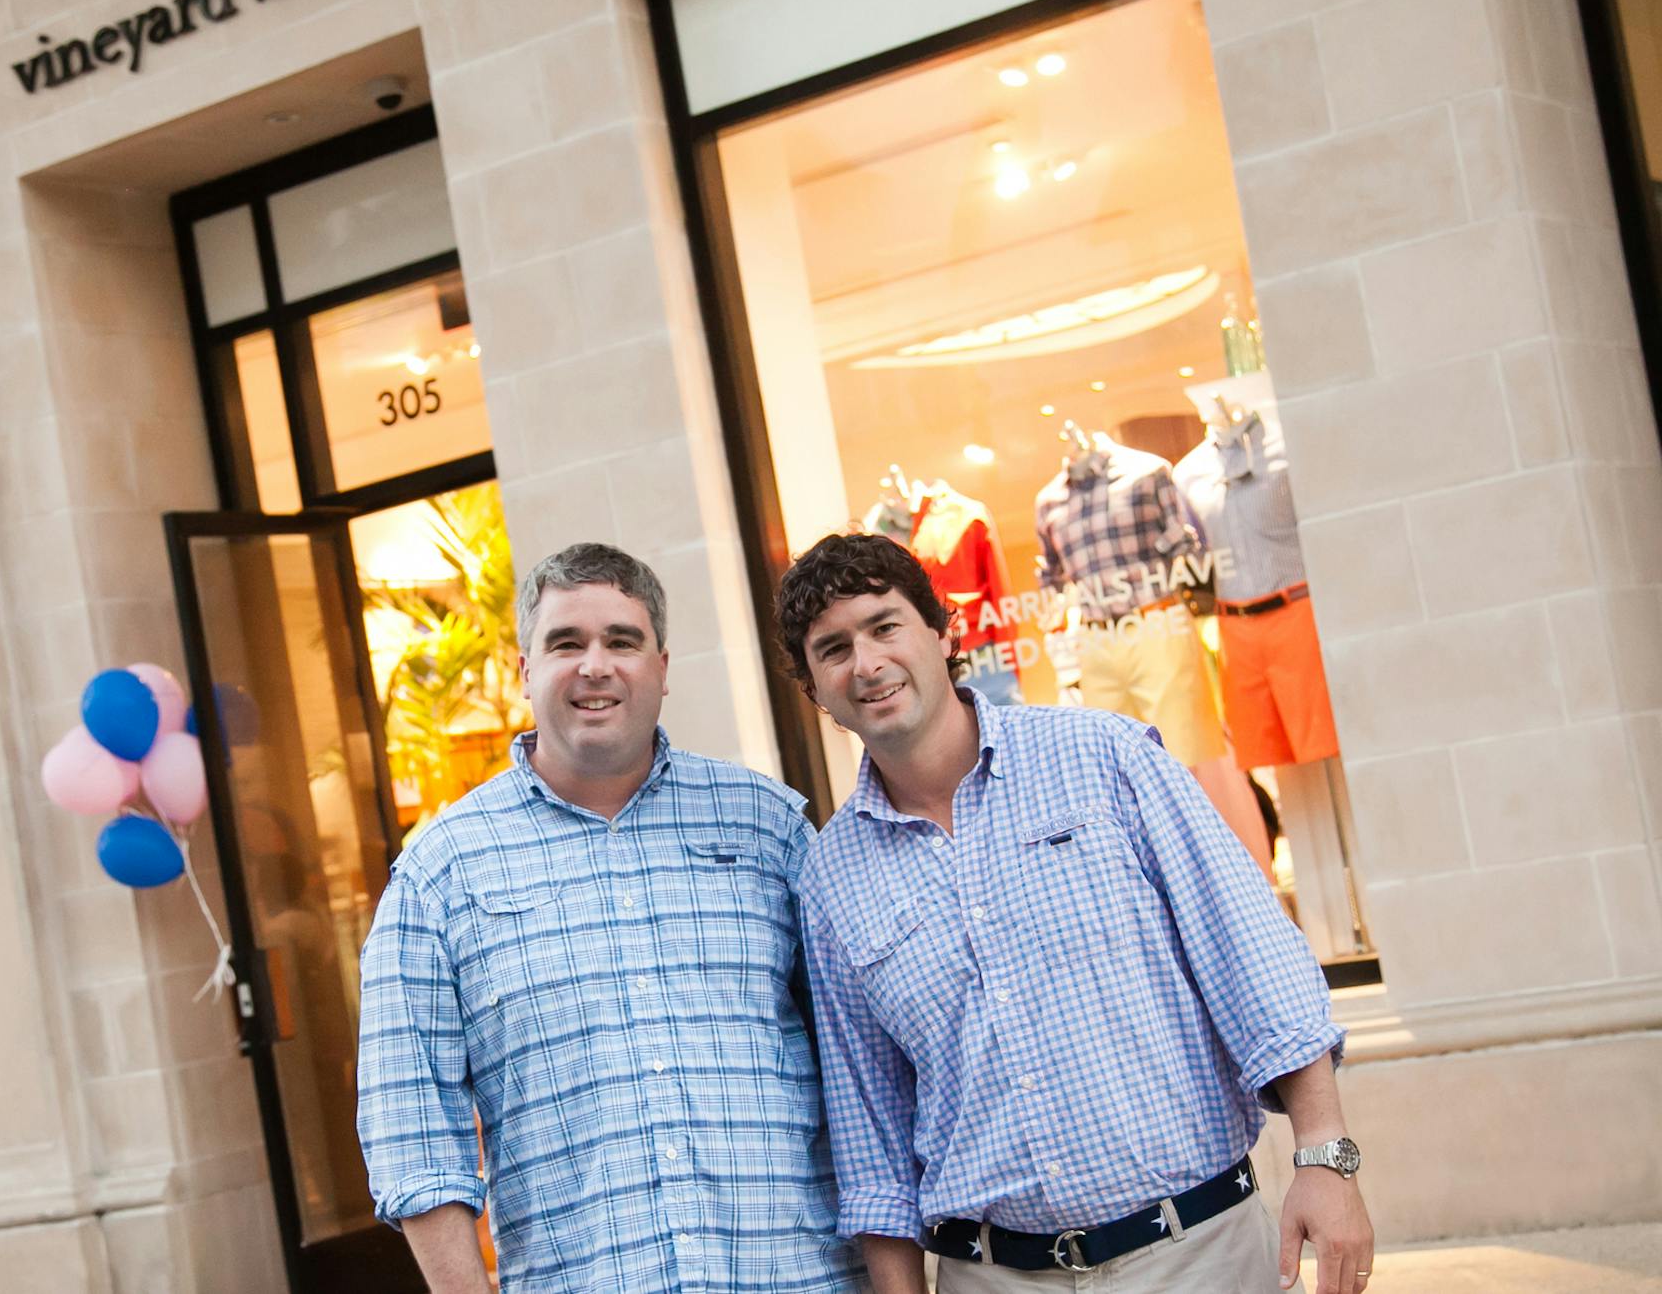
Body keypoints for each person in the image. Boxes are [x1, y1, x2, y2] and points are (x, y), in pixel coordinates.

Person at [775, 532, 1373, 1294]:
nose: (866, 664)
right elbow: (871, 1127)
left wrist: (1324, 1155)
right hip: (992, 1278)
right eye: (833, 649)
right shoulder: (830, 878)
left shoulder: (1105, 757)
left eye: (885, 626)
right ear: (814, 692)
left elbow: (1250, 956)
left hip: (1197, 1254)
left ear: (944, 630)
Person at [357, 543, 863, 1293]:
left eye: (621, 641)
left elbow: (858, 1065)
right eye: (566, 643)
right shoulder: (441, 871)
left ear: (661, 666)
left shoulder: (768, 828)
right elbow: (410, 1121)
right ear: (526, 671)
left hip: (798, 1277)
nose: (595, 666)